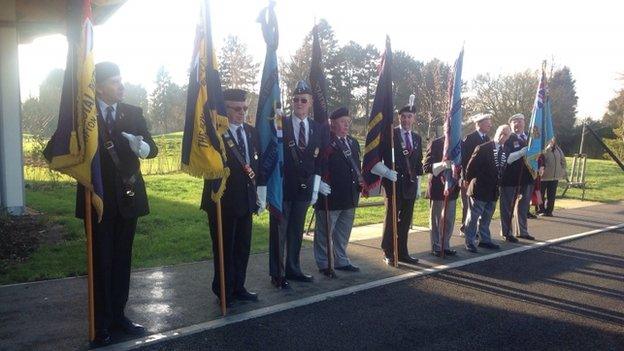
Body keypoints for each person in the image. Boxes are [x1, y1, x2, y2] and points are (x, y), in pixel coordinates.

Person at [75, 62, 158, 346]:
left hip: (128, 196)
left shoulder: (132, 112)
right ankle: (101, 322)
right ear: (98, 86)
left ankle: (119, 316)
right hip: (96, 199)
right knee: (101, 261)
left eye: (121, 80)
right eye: (114, 81)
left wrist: (142, 147)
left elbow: (153, 148)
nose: (121, 86)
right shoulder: (84, 114)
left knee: (122, 259)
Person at [201, 88, 261, 306]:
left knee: (243, 246)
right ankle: (223, 289)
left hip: (246, 199)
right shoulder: (213, 134)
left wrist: (258, 194)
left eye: (244, 108)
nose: (242, 112)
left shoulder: (251, 132)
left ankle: (239, 286)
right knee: (224, 248)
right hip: (222, 200)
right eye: (236, 108)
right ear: (224, 109)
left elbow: (255, 163)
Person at [269, 80, 328, 289]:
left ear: (311, 102)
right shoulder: (280, 123)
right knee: (279, 232)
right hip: (283, 187)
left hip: (304, 189)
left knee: (296, 231)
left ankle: (293, 269)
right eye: (295, 100)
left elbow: (319, 161)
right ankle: (278, 273)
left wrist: (316, 186)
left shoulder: (318, 128)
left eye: (304, 100)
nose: (299, 103)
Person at [314, 107, 362, 276]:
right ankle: (324, 263)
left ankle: (341, 260)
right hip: (330, 195)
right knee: (324, 233)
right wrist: (318, 183)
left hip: (349, 195)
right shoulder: (326, 143)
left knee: (343, 232)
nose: (346, 125)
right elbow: (317, 164)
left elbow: (356, 167)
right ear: (332, 124)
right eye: (343, 122)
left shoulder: (353, 142)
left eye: (348, 122)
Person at [463, 124, 524, 253]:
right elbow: (470, 168)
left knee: (487, 216)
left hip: (493, 190)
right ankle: (470, 241)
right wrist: (469, 181)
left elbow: (503, 168)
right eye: (502, 132)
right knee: (473, 217)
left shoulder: (506, 150)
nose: (503, 136)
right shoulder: (483, 148)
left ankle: (485, 240)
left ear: (508, 137)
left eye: (506, 134)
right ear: (497, 132)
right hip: (479, 188)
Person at [375, 104, 423, 265]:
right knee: (391, 220)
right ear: (398, 117)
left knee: (406, 221)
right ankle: (388, 251)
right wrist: (387, 172)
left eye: (409, 116)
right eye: (403, 116)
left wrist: (419, 183)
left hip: (410, 185)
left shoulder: (417, 138)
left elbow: (418, 163)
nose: (406, 120)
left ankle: (402, 252)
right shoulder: (390, 135)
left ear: (414, 119)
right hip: (393, 183)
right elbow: (377, 158)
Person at [500, 113, 534, 241]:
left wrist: (541, 165)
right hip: (510, 178)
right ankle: (506, 232)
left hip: (527, 177)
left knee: (524, 206)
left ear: (524, 123)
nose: (517, 124)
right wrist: (521, 152)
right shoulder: (508, 138)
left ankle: (522, 231)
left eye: (520, 122)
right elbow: (507, 158)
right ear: (510, 124)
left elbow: (538, 154)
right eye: (515, 122)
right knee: (507, 206)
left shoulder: (530, 137)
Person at [423, 136, 459, 257]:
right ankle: (436, 246)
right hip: (438, 188)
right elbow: (426, 166)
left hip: (452, 188)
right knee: (437, 220)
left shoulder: (459, 144)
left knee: (449, 219)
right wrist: (444, 165)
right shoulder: (436, 143)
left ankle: (446, 245)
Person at [459, 113, 492, 236]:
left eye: (490, 121)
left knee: (478, 205)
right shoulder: (469, 139)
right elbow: (464, 160)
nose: (490, 124)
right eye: (487, 122)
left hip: (482, 180)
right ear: (478, 124)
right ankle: (465, 227)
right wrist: (464, 178)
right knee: (467, 204)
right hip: (470, 178)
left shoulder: (487, 139)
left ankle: (475, 229)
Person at [538, 138, 567, 216]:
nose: (552, 140)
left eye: (553, 139)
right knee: (540, 194)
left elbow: (563, 160)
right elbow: (541, 159)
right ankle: (541, 210)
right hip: (544, 176)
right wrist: (548, 148)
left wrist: (562, 170)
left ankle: (549, 211)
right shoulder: (543, 149)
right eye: (550, 138)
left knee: (551, 195)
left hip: (554, 177)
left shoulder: (558, 149)